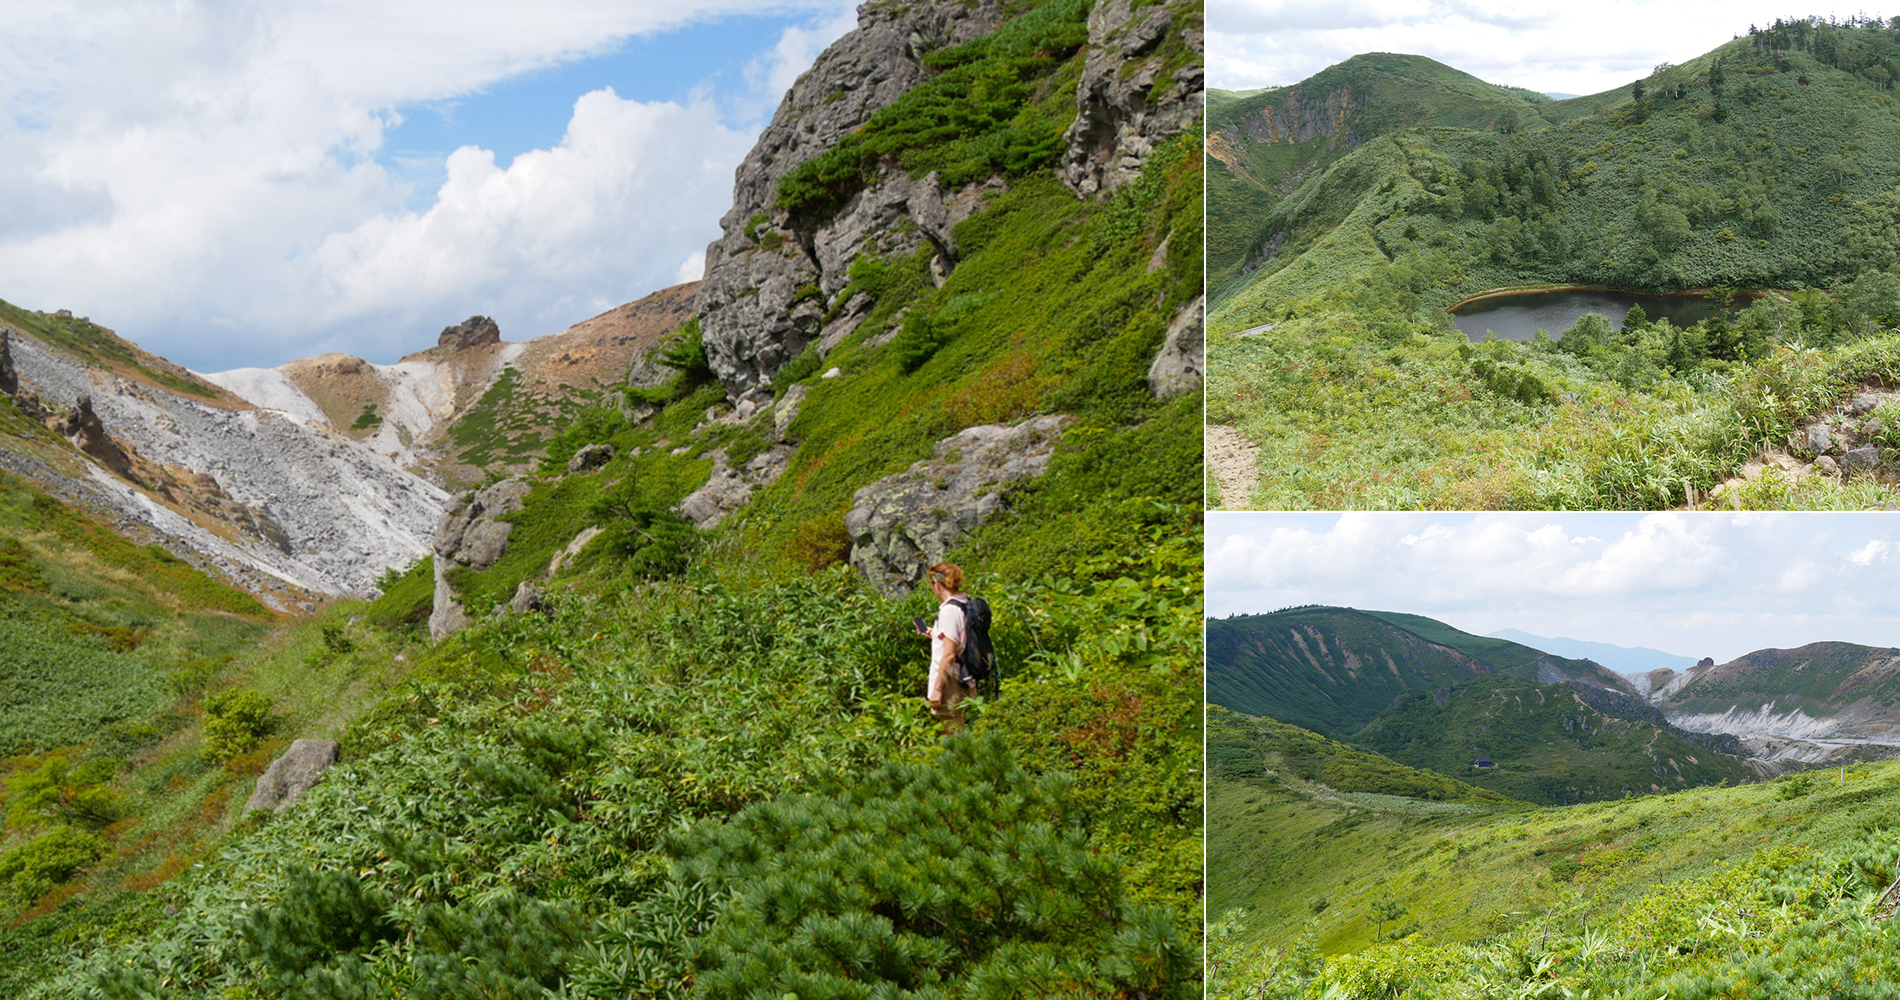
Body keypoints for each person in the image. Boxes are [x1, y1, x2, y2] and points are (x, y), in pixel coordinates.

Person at [923, 561, 977, 731]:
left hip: (951, 679)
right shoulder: (964, 602)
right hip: (966, 675)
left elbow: (949, 655)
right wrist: (934, 633)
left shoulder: (948, 610)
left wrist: (938, 689)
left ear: (936, 583)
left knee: (954, 734)